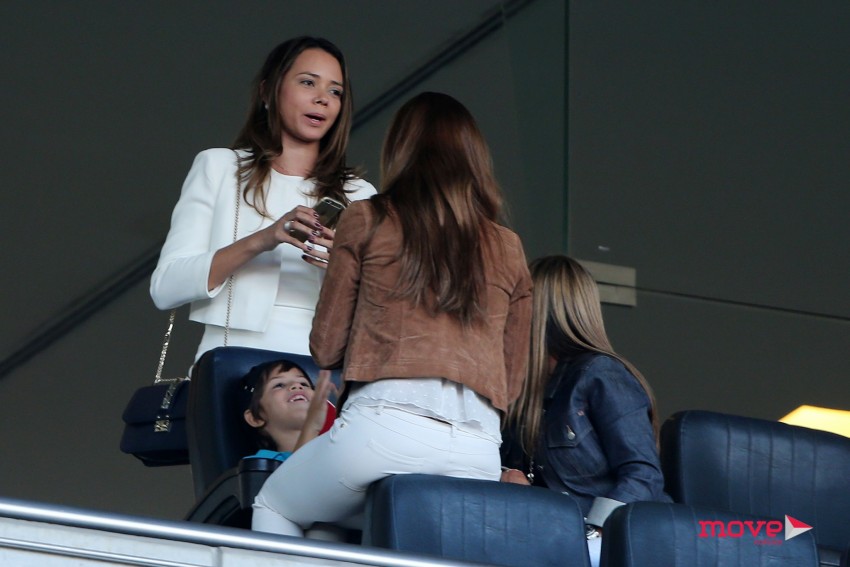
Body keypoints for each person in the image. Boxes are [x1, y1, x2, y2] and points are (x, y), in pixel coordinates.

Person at [250, 91, 533, 537]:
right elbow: (513, 381)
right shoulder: (509, 247)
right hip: (477, 450)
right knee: (353, 530)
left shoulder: (367, 218)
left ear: (399, 150)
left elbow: (326, 348)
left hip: (381, 432)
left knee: (274, 504)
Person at [150, 37, 376, 362]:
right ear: (268, 91)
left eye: (335, 91)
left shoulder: (359, 194)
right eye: (308, 82)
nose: (322, 99)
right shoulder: (220, 168)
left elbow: (383, 308)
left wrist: (345, 265)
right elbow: (166, 287)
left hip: (322, 365)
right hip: (230, 358)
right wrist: (264, 239)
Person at [500, 255, 671, 566]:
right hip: (552, 541)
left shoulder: (599, 374)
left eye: (521, 301)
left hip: (615, 545)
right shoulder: (523, 393)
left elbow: (643, 475)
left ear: (539, 311)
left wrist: (593, 533)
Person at [241, 359, 335, 461]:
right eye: (279, 385)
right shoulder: (260, 463)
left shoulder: (336, 452)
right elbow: (298, 470)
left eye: (304, 384)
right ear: (256, 418)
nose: (297, 386)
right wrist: (312, 426)